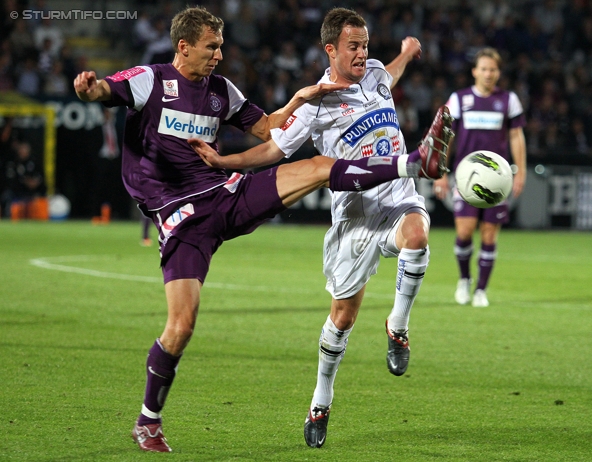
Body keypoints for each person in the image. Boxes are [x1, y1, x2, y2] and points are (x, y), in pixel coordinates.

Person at [73, 6, 449, 453]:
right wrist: (90, 89)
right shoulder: (151, 81)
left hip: (224, 196)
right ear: (184, 46)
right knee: (181, 325)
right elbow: (104, 91)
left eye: (221, 46)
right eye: (211, 47)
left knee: (315, 166)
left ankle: (413, 164)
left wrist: (295, 102)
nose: (218, 55)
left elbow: (266, 128)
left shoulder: (221, 91)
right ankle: (148, 421)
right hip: (180, 217)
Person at [246, 7, 452, 448]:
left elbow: (387, 78)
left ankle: (397, 326)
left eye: (365, 45)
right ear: (331, 50)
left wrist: (405, 54)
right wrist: (226, 163)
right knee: (342, 317)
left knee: (418, 235)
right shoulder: (318, 101)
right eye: (353, 47)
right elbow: (272, 149)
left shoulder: (375, 70)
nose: (362, 54)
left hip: (397, 195)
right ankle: (321, 399)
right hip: (355, 215)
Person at [433, 47, 527, 308]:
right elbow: (447, 136)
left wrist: (521, 171)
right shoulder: (460, 99)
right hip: (466, 179)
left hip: (497, 180)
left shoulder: (508, 100)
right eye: (484, 69)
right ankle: (464, 280)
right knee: (464, 232)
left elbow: (516, 136)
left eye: (493, 69)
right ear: (474, 71)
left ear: (499, 72)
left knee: (489, 235)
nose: (488, 74)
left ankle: (481, 291)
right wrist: (441, 172)